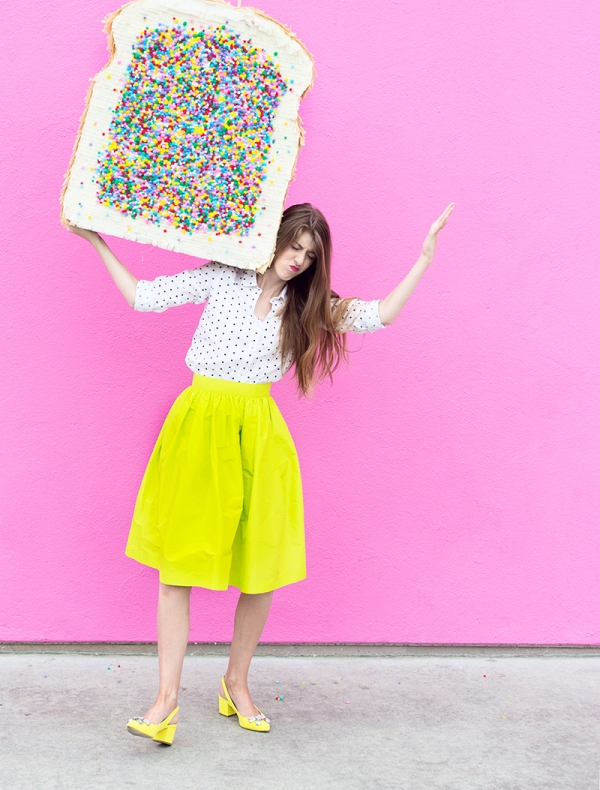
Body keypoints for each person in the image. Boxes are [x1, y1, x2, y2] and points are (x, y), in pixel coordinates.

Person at [66, 200, 454, 744]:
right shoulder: (224, 275)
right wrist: (95, 241)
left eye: (309, 255)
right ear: (274, 238)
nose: (297, 260)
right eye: (293, 246)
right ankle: (165, 702)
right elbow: (145, 297)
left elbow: (377, 316)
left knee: (261, 568)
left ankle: (236, 682)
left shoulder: (306, 305)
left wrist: (423, 259)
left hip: (261, 435)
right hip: (199, 426)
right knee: (177, 565)